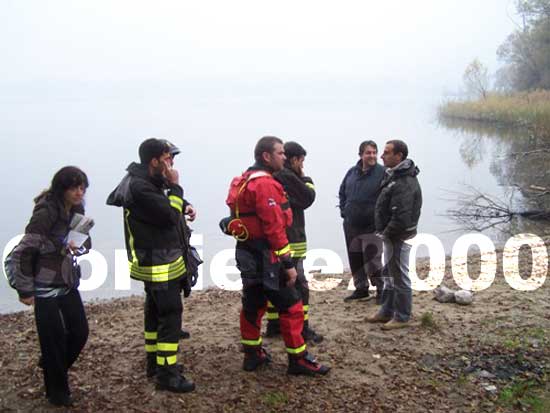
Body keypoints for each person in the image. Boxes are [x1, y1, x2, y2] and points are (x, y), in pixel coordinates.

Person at [225, 136, 329, 375]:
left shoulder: (241, 180)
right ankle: (298, 360)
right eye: (280, 153)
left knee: (253, 303)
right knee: (292, 305)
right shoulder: (265, 185)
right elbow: (273, 227)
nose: (285, 157)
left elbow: (235, 216)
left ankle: (252, 355)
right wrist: (288, 263)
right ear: (266, 156)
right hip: (266, 256)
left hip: (246, 252)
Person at [107, 138, 196, 392]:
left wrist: (183, 201)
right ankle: (167, 374)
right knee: (170, 316)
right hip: (157, 262)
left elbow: (165, 206)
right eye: (167, 158)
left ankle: (154, 364)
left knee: (154, 312)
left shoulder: (145, 181)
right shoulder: (140, 187)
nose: (171, 163)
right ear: (154, 161)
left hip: (156, 260)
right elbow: (168, 216)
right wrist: (177, 189)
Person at [11, 166, 91, 407]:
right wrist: (24, 289)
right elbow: (24, 251)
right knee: (52, 338)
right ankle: (57, 392)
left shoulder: (77, 209)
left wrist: (80, 245)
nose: (80, 192)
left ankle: (51, 366)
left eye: (83, 187)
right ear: (62, 188)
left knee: (79, 331)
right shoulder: (46, 211)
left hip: (66, 280)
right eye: (74, 187)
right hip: (43, 282)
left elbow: (83, 241)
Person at [265, 141, 323, 344]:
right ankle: (303, 329)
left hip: (273, 240)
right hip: (292, 240)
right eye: (302, 161)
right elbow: (308, 197)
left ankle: (274, 325)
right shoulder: (289, 175)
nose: (303, 166)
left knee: (276, 282)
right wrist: (305, 178)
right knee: (300, 287)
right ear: (294, 159)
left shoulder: (269, 176)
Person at [367, 139, 422, 330]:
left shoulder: (405, 180)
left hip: (398, 235)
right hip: (391, 235)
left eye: (387, 152)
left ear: (399, 156)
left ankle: (402, 316)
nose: (382, 156)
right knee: (389, 274)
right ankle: (387, 311)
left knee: (399, 276)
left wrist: (387, 232)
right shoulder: (394, 175)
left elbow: (401, 215)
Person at [339, 140, 385, 302]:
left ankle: (381, 290)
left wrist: (381, 218)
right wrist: (344, 211)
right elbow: (342, 192)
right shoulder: (352, 172)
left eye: (374, 152)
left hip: (372, 225)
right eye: (368, 153)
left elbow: (389, 197)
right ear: (361, 155)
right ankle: (361, 289)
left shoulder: (383, 172)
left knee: (373, 261)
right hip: (351, 224)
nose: (372, 156)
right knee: (355, 258)